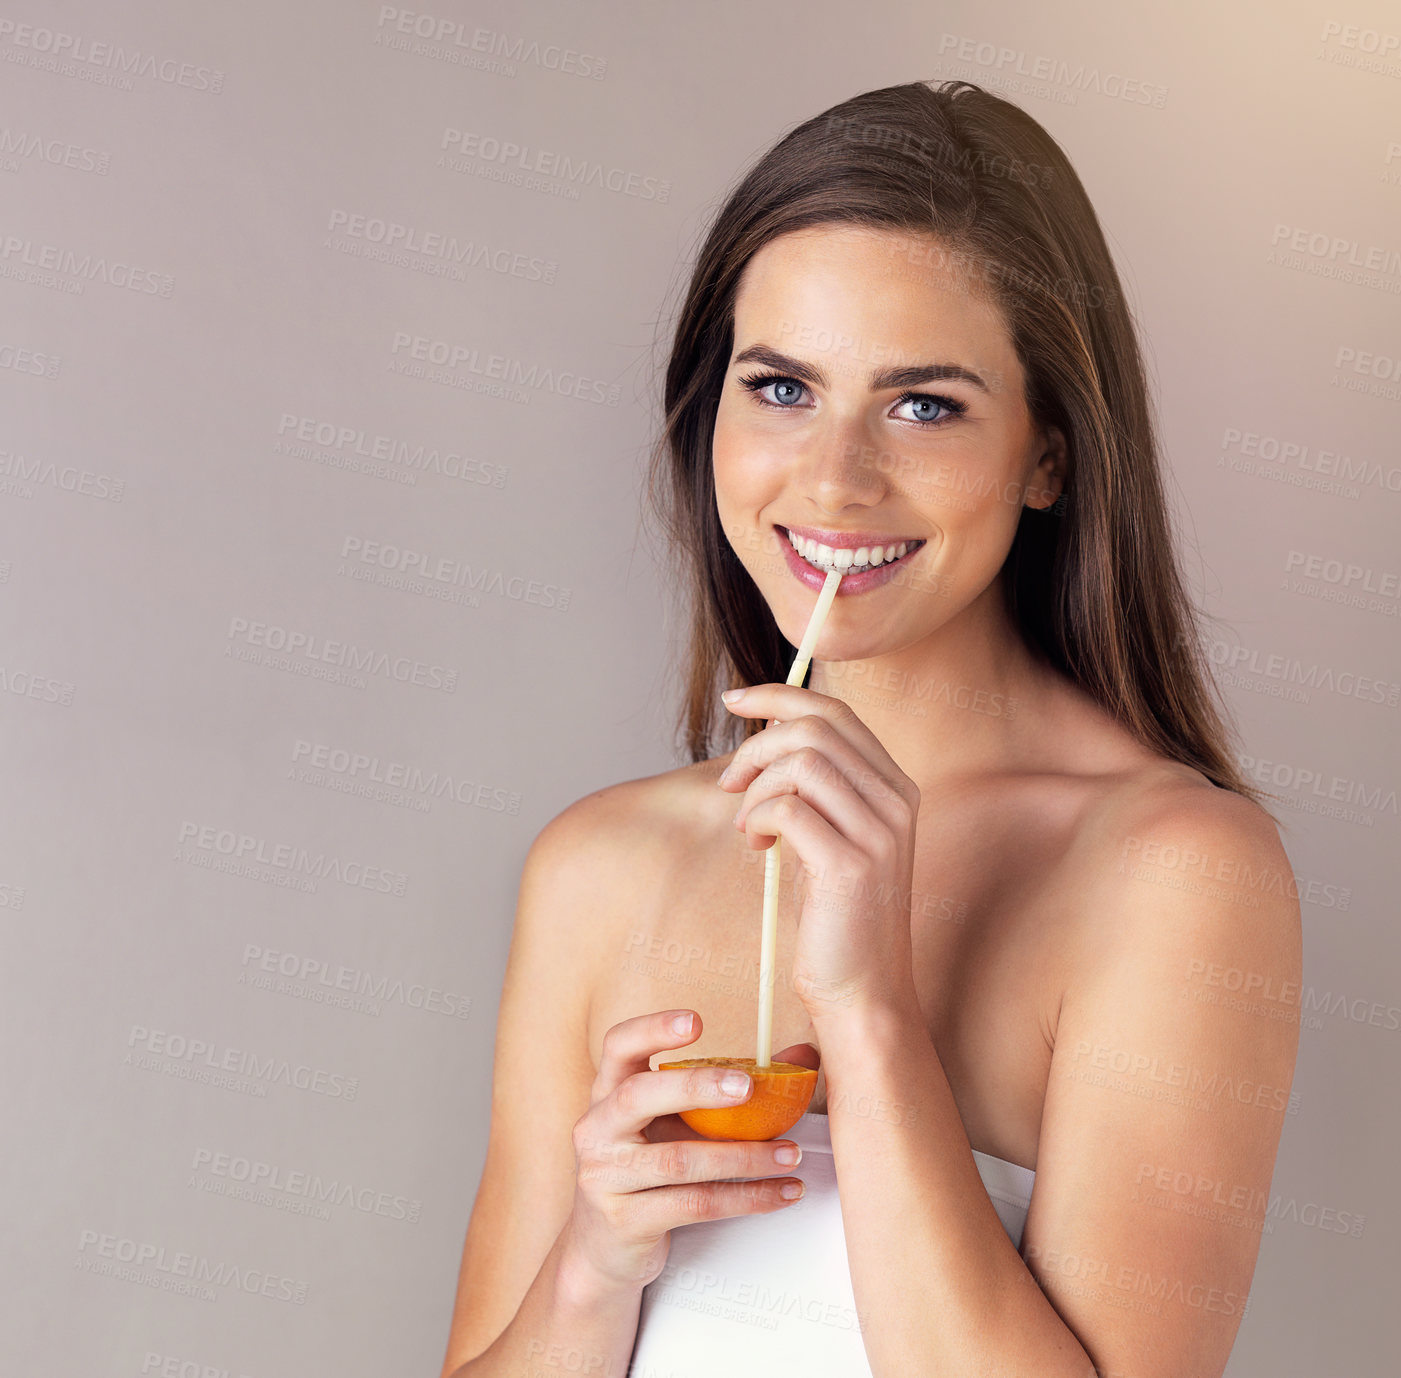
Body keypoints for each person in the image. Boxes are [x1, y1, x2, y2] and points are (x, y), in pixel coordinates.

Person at [440, 79, 1301, 1378]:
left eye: (922, 404)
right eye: (780, 386)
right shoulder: (596, 865)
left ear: (1047, 451)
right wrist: (588, 1268)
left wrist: (870, 1008)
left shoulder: (1173, 872)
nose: (832, 479)